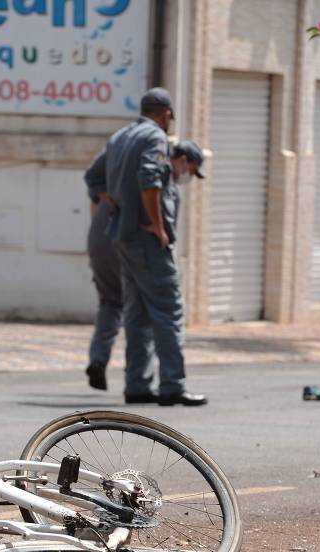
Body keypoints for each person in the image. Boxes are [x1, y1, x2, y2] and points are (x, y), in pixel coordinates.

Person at [84, 88, 207, 406]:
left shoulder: (120, 137)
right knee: (169, 311)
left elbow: (94, 178)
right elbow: (149, 179)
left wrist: (119, 206)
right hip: (147, 239)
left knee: (137, 313)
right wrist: (155, 223)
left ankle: (137, 385)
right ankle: (173, 385)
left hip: (122, 237)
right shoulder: (154, 138)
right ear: (166, 114)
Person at [85, 196, 122, 391]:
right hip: (123, 245)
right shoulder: (142, 170)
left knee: (109, 304)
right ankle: (138, 378)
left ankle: (98, 359)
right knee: (141, 312)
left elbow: (94, 202)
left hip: (98, 244)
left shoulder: (103, 180)